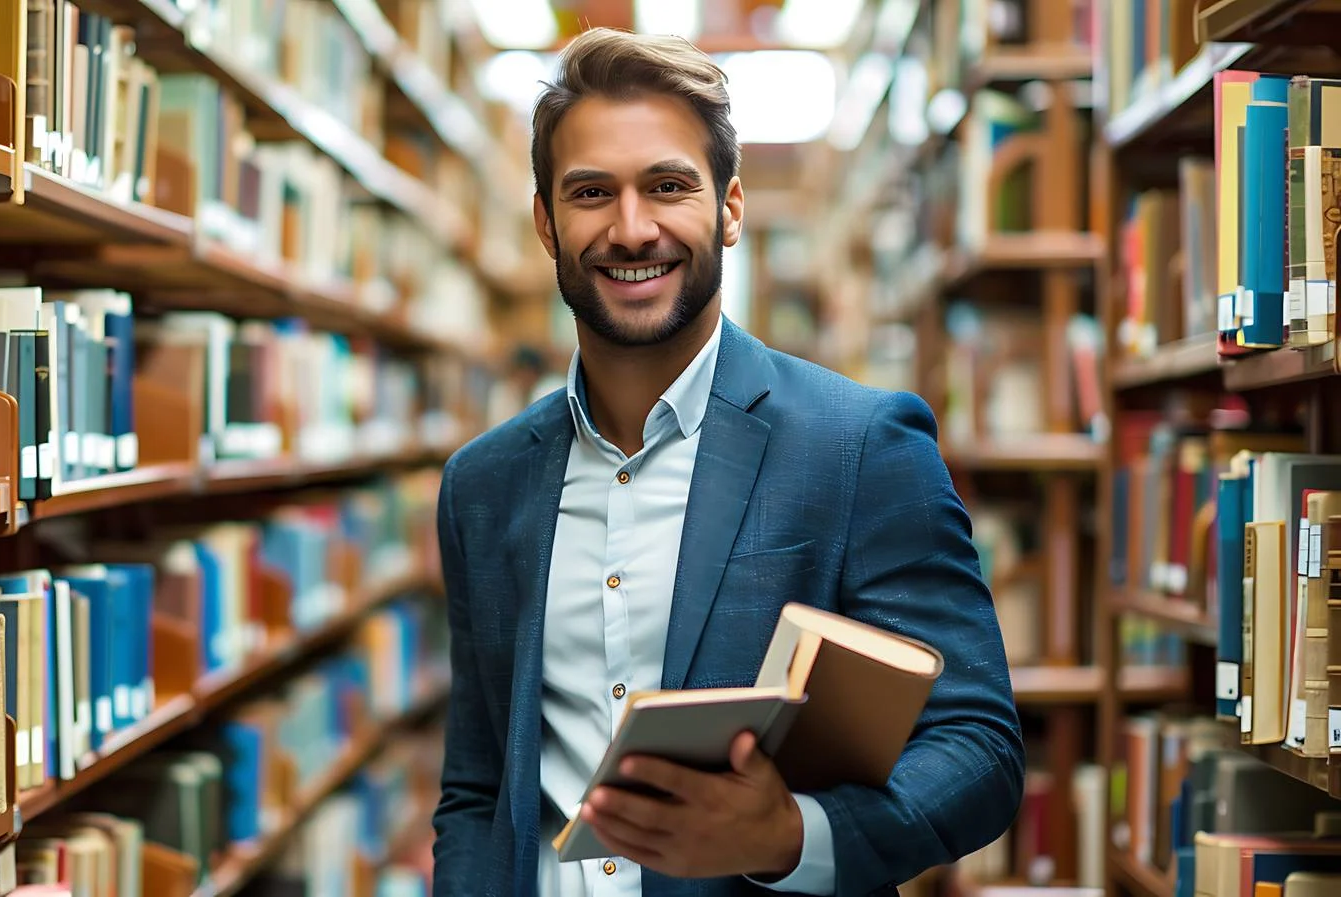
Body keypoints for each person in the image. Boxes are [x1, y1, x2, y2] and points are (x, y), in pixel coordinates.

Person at [429, 27, 1024, 897]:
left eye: (668, 186)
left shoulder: (859, 445)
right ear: (545, 222)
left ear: (730, 208)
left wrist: (791, 835)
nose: (632, 230)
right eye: (592, 192)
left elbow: (979, 747)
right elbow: (481, 786)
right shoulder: (482, 486)